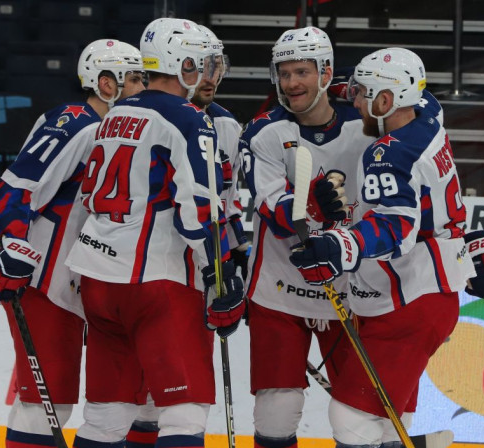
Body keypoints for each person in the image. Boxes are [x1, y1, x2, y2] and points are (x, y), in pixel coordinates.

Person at [288, 47, 484, 448]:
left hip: (408, 297)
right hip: (426, 293)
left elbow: (395, 228)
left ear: (386, 101)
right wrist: (333, 85)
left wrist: (340, 245)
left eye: (362, 94)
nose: (355, 102)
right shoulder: (428, 114)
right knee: (389, 420)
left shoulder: (387, 154)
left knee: (350, 418)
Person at [64, 17, 245, 448]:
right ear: (183, 64)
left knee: (107, 415)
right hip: (156, 282)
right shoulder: (188, 118)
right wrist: (218, 275)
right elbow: (198, 210)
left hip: (98, 279)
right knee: (183, 413)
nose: (210, 73)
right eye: (204, 63)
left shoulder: (116, 113)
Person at [0, 39, 145, 447]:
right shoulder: (78, 124)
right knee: (45, 402)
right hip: (45, 280)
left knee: (94, 399)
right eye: (137, 79)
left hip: (85, 278)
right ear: (107, 84)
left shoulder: (116, 127)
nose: (146, 87)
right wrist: (15, 248)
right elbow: (10, 192)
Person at [239, 26, 374, 448]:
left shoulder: (367, 125)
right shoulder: (263, 131)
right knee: (276, 414)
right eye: (284, 73)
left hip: (352, 290)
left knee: (359, 419)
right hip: (279, 289)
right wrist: (310, 204)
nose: (291, 83)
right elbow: (272, 208)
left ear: (326, 72)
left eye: (302, 71)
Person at [124, 24, 250, 448]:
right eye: (204, 66)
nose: (211, 77)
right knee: (138, 398)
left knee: (172, 395)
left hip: (189, 279)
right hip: (148, 273)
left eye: (217, 66)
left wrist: (235, 259)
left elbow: (228, 204)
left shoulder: (227, 128)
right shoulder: (141, 115)